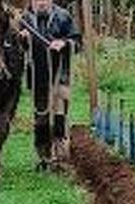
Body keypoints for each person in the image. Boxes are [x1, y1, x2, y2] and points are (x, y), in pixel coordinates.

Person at [19, 0, 82, 169]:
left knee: (59, 115)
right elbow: (18, 48)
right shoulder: (25, 19)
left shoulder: (63, 17)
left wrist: (64, 44)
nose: (41, 3)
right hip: (37, 77)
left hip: (59, 76)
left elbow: (77, 42)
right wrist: (22, 39)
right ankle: (43, 157)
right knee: (41, 117)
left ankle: (61, 156)